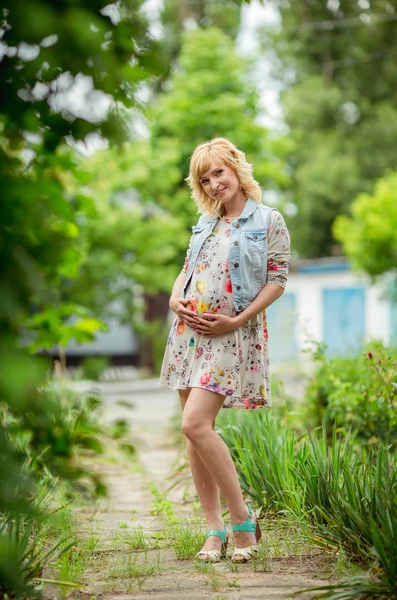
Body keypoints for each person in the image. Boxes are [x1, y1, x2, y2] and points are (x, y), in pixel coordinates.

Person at [159, 137, 290, 563]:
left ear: (235, 168)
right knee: (195, 436)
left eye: (219, 171)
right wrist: (175, 298)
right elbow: (186, 271)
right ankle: (214, 529)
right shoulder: (204, 222)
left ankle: (242, 518)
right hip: (188, 334)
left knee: (195, 424)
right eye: (205, 178)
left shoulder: (269, 220)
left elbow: (277, 279)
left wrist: (236, 319)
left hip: (230, 336)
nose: (214, 183)